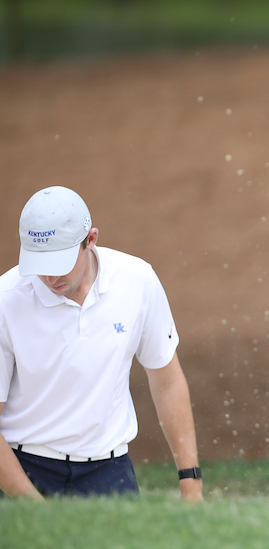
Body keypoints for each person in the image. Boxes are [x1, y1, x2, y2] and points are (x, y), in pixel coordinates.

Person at [0, 186, 203, 501]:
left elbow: (167, 381)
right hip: (24, 465)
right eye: (40, 263)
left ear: (90, 240)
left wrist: (191, 484)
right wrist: (33, 506)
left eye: (60, 261)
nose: (50, 277)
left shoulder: (137, 280)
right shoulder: (5, 300)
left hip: (109, 470)